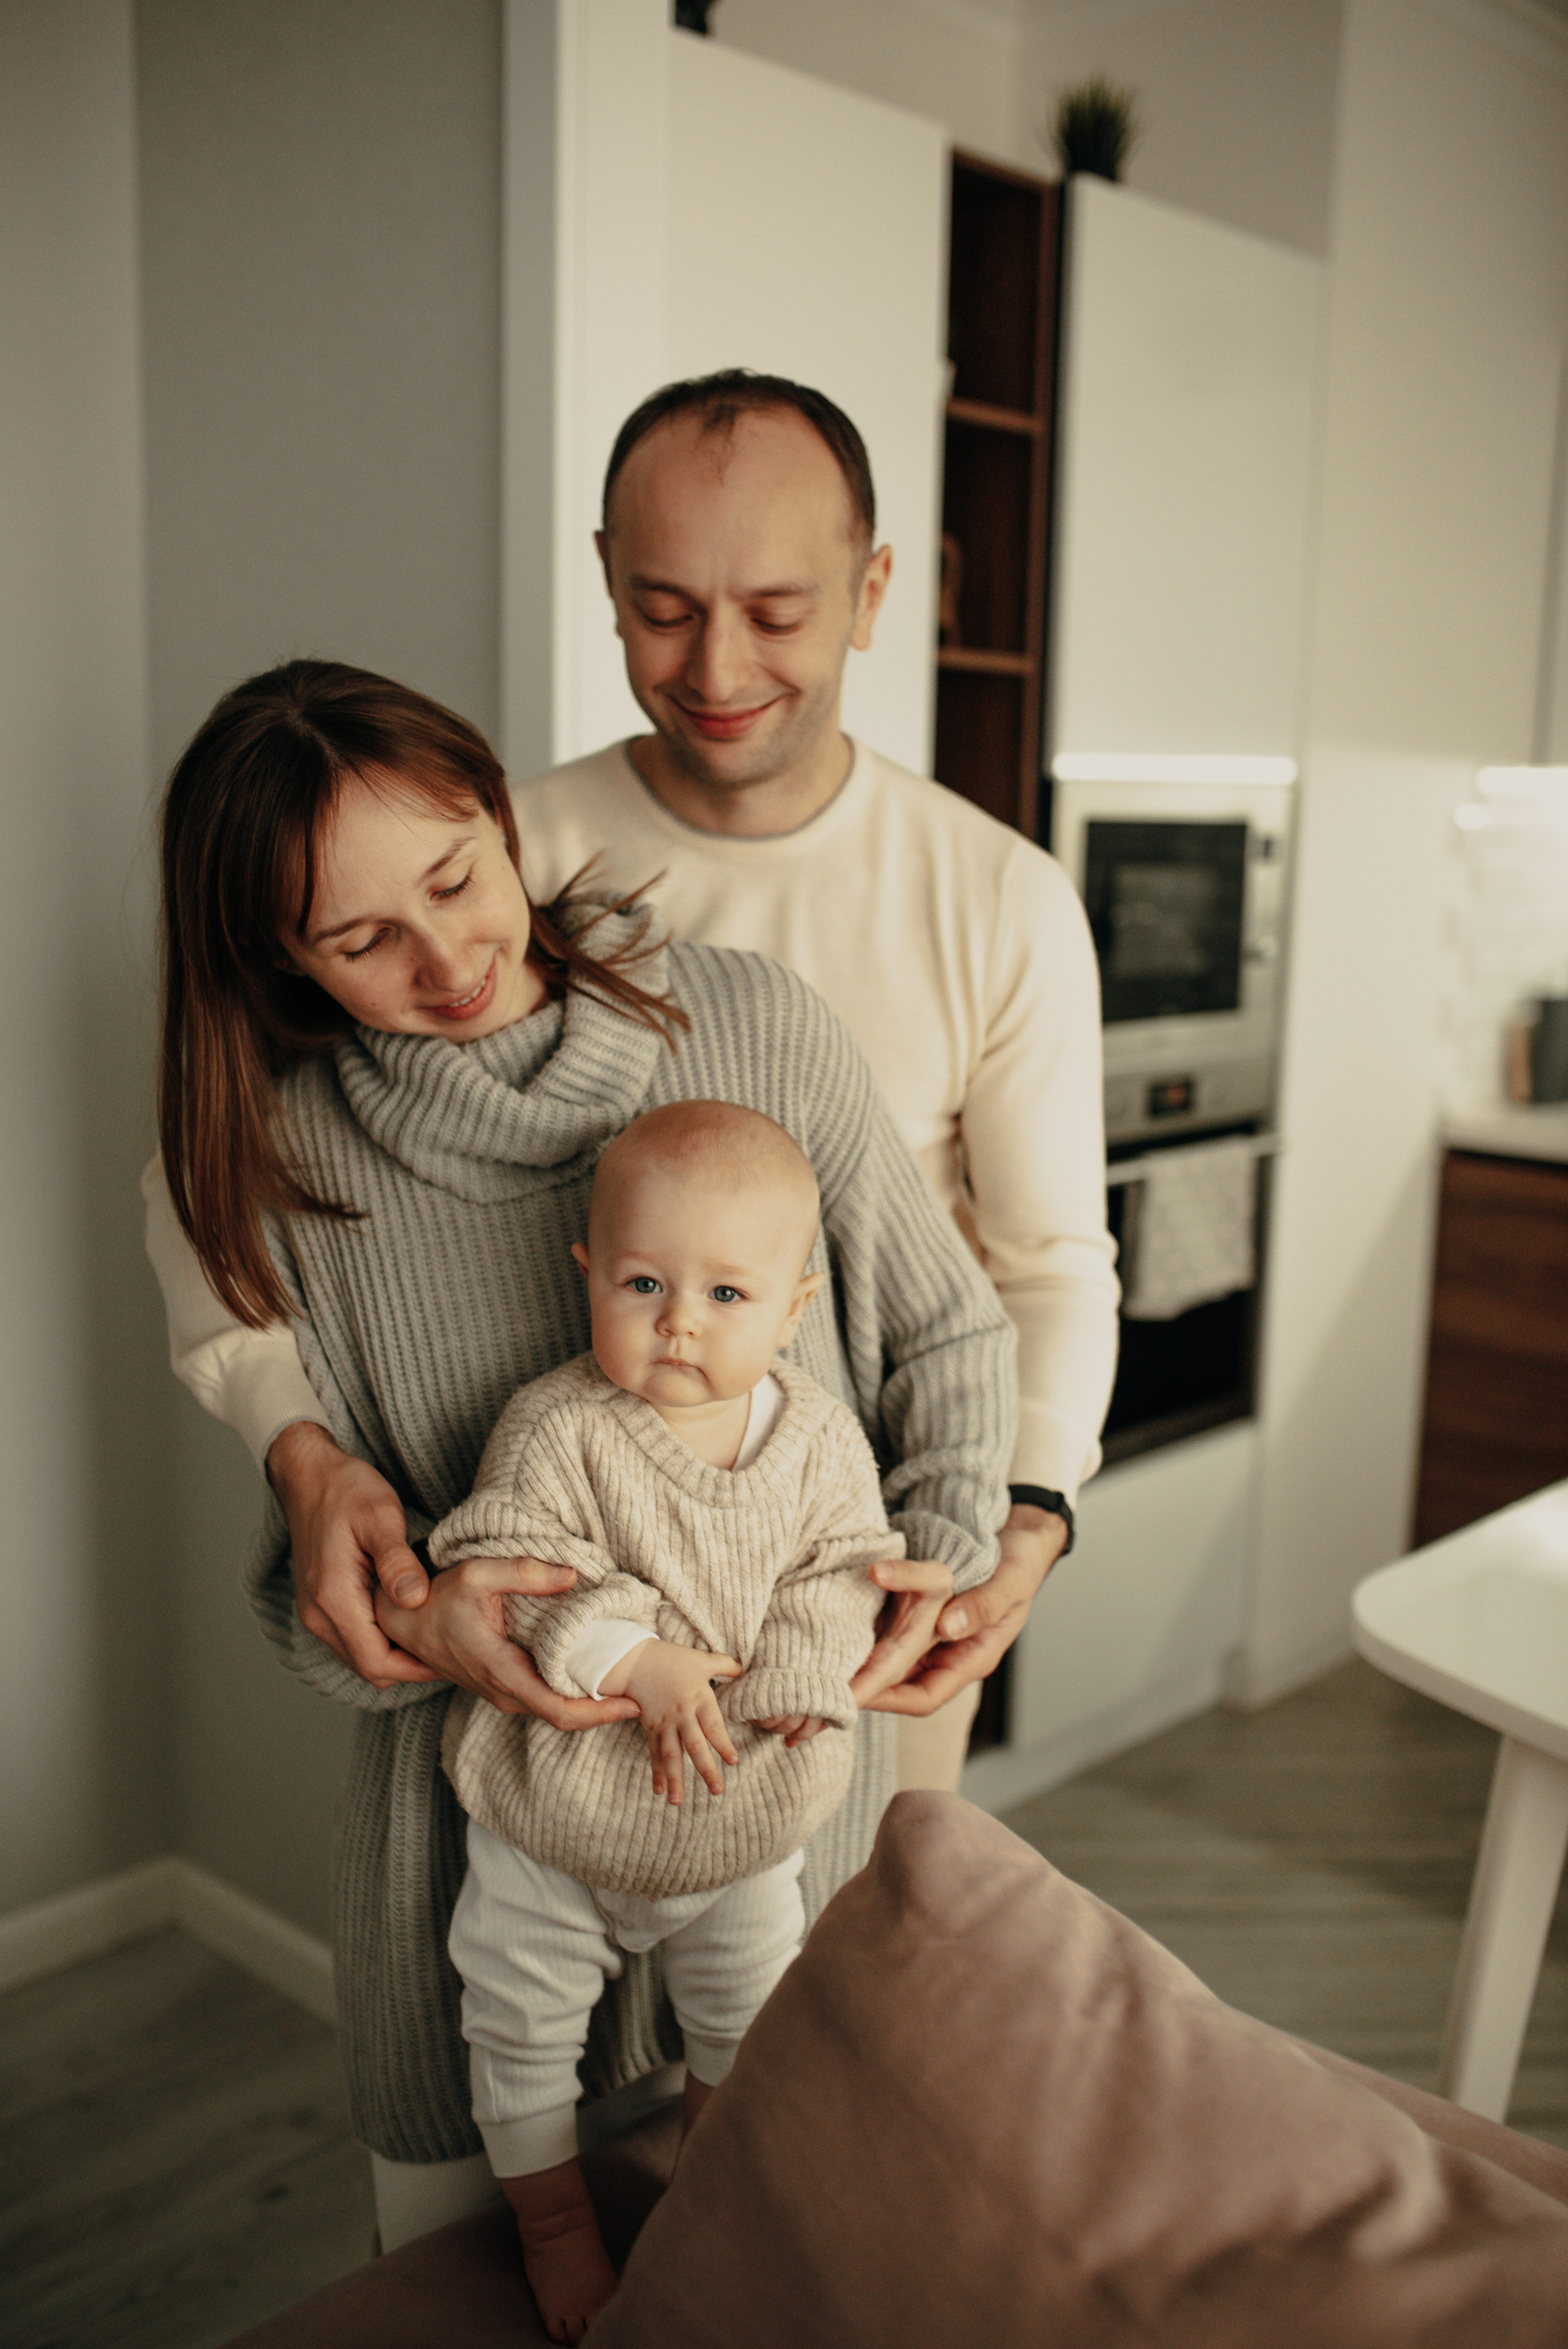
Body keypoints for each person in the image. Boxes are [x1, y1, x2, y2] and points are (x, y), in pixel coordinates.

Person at [143, 370, 1120, 1800]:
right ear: (605, 582)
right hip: (570, 1660)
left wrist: (1024, 1509)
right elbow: (225, 1165)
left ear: (870, 590)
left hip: (850, 1599)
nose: (716, 671)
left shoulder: (996, 897)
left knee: (852, 1982)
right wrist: (294, 1442)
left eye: (776, 612)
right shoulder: (489, 859)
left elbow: (1041, 1269)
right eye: (664, 609)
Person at [149, 659, 1014, 2248]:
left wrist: (934, 1575)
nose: (447, 953)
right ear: (276, 957)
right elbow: (330, 1576)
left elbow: (948, 1336)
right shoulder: (292, 1165)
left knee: (781, 2237)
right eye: (359, 938)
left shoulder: (750, 1026)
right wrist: (421, 1615)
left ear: (498, 807)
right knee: (467, 2266)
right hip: (484, 1846)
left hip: (777, 1817)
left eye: (459, 874)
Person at [434, 1099, 900, 2341]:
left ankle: (707, 2186)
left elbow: (844, 1568)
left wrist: (805, 1671)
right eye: (642, 1281)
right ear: (587, 1273)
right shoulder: (558, 1426)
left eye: (725, 1296)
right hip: (558, 1816)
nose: (679, 1320)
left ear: (794, 1308)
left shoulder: (812, 1439)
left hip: (737, 1822)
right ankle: (552, 2225)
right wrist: (632, 1654)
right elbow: (507, 1569)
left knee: (749, 2021)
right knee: (516, 2024)